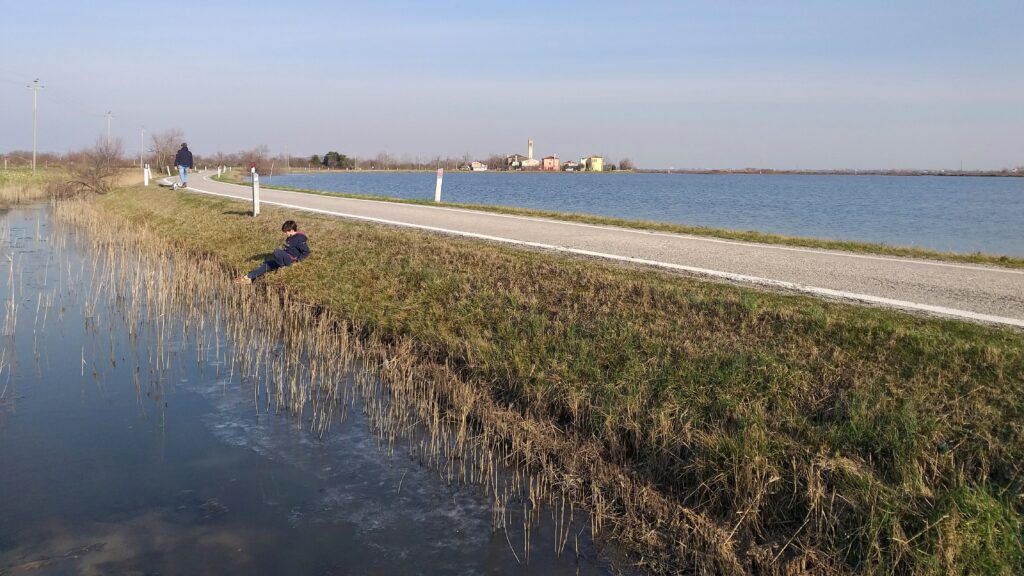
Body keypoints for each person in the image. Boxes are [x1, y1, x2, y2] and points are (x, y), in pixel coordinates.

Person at [235, 220, 310, 284]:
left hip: (290, 260)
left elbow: (306, 252)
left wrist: (297, 261)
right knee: (267, 264)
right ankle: (248, 278)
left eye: (286, 232)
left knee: (277, 252)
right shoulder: (290, 237)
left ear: (291, 230)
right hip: (285, 257)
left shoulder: (299, 238)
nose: (285, 234)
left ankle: (283, 266)